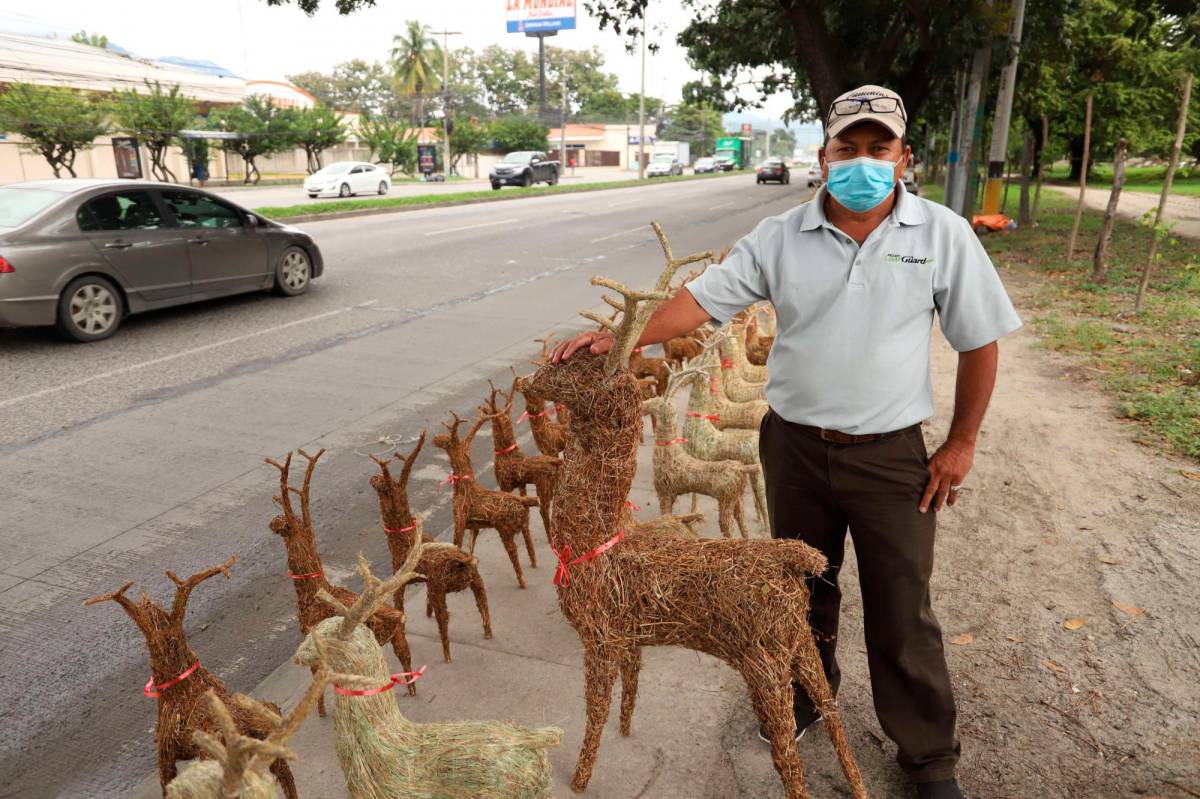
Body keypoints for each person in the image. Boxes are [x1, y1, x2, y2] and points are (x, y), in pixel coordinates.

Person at [552, 84, 1022, 799]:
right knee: (802, 589)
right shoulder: (780, 237)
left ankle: (928, 754)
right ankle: (805, 695)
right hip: (796, 448)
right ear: (824, 153)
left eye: (878, 148)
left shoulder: (942, 235)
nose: (862, 161)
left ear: (903, 157)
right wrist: (620, 338)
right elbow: (701, 300)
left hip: (893, 454)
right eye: (847, 148)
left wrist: (961, 443)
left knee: (902, 603)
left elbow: (979, 339)